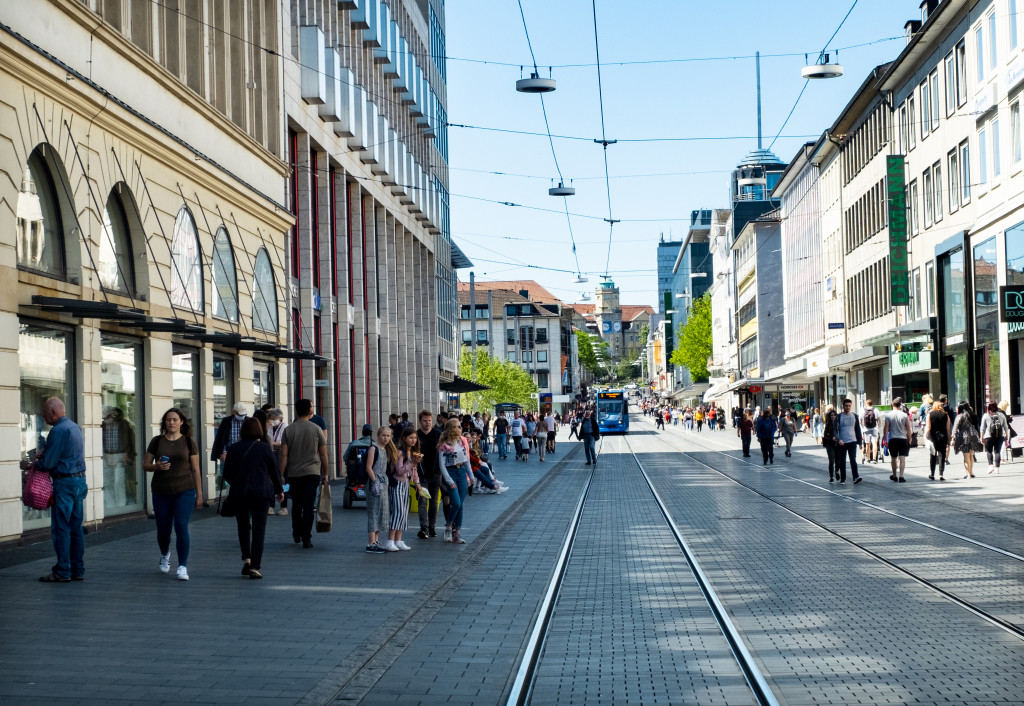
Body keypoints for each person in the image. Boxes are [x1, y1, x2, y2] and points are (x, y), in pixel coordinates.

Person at [23, 398, 88, 583]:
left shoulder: (58, 430)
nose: (44, 417)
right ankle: (77, 569)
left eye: (45, 413)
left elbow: (49, 463)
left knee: (61, 529)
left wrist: (32, 464)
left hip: (65, 484)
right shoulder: (74, 427)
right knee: (76, 528)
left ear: (53, 412)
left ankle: (62, 570)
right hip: (79, 481)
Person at [144, 407, 202, 580]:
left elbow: (196, 469)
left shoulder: (188, 442)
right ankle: (165, 555)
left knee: (181, 526)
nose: (172, 422)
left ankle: (183, 566)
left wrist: (199, 495)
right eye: (169, 419)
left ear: (181, 422)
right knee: (163, 529)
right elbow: (145, 465)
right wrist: (156, 466)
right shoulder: (156, 441)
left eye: (175, 419)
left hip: (184, 490)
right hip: (161, 491)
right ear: (165, 422)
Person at [223, 417, 284, 580]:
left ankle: (246, 560)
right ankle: (255, 567)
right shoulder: (265, 448)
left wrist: (238, 481)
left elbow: (227, 473)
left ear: (243, 431)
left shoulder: (234, 449)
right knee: (259, 529)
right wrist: (279, 491)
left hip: (240, 493)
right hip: (261, 493)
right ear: (260, 431)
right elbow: (274, 472)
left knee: (243, 526)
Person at [280, 399, 328, 548]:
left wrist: (281, 473)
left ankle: (296, 531)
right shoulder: (316, 429)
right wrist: (325, 473)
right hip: (312, 472)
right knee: (308, 506)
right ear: (309, 411)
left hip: (294, 473)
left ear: (296, 411)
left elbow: (284, 455)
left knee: (296, 504)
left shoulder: (288, 430)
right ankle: (306, 537)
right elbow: (323, 455)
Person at [387, 427, 422, 552]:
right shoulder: (399, 452)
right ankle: (390, 540)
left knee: (404, 512)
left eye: (415, 438)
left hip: (406, 484)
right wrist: (412, 463)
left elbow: (414, 471)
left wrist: (417, 483)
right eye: (410, 438)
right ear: (404, 438)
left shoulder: (412, 452)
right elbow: (400, 470)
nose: (413, 440)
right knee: (397, 512)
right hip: (396, 483)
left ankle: (399, 540)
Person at [437, 419, 469, 544]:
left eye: (459, 426)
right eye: (456, 427)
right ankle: (449, 526)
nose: (459, 428)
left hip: (461, 472)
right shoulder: (443, 446)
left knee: (460, 505)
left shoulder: (461, 442)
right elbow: (442, 465)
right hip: (450, 473)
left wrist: (470, 476)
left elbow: (466, 460)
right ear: (450, 429)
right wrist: (449, 480)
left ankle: (458, 533)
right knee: (455, 503)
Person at [364, 426, 394, 553]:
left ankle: (376, 541)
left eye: (388, 436)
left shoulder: (385, 449)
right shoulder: (373, 448)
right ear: (378, 435)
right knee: (374, 513)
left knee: (381, 512)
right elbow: (368, 467)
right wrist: (375, 481)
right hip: (375, 482)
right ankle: (371, 543)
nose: (386, 438)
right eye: (383, 435)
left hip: (383, 483)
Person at [101, 406, 136, 508]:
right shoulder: (102, 426)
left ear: (112, 415)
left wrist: (128, 453)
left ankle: (121, 505)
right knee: (108, 482)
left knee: (118, 481)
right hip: (106, 454)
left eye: (107, 417)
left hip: (120, 455)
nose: (105, 420)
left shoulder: (124, 424)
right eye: (104, 418)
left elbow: (131, 441)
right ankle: (110, 505)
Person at [415, 411, 442, 538]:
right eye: (425, 420)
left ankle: (432, 526)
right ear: (420, 421)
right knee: (422, 500)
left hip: (436, 472)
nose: (428, 423)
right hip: (421, 473)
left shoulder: (438, 434)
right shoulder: (416, 436)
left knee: (434, 501)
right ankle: (424, 528)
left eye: (430, 420)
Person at [834, 399, 863, 484]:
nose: (848, 407)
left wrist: (860, 442)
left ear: (851, 406)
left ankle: (856, 477)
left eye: (849, 406)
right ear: (843, 406)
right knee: (842, 461)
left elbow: (858, 429)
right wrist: (839, 439)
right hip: (842, 442)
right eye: (846, 406)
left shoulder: (855, 416)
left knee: (853, 460)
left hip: (852, 441)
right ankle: (843, 479)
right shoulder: (839, 417)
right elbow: (835, 430)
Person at [882, 397, 911, 483]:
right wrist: (909, 439)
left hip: (893, 439)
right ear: (900, 405)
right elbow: (908, 429)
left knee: (893, 458)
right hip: (903, 439)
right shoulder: (905, 415)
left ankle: (894, 475)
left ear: (892, 405)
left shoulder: (888, 415)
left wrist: (885, 439)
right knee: (902, 458)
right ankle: (901, 476)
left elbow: (886, 428)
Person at [266, 409, 289, 515]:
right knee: (270, 481)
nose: (272, 421)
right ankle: (270, 505)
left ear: (280, 419)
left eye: (274, 419)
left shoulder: (286, 427)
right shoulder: (269, 427)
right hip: (271, 454)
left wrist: (272, 443)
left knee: (282, 480)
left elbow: (283, 443)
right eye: (271, 419)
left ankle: (284, 507)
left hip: (281, 455)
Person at [951, 402, 980, 479]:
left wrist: (953, 439)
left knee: (966, 455)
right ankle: (971, 472)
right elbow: (977, 426)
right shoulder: (973, 415)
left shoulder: (959, 416)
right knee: (971, 454)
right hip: (973, 436)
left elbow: (955, 427)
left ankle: (968, 474)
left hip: (964, 437)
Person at [925, 399, 951, 481]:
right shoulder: (946, 415)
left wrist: (926, 436)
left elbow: (928, 427)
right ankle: (941, 474)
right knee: (942, 455)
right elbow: (948, 429)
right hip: (943, 436)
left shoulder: (930, 414)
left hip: (933, 436)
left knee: (933, 454)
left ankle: (932, 473)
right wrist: (949, 439)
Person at [980, 402, 1006, 475]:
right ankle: (997, 468)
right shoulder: (1001, 415)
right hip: (1000, 436)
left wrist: (981, 437)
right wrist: (1006, 435)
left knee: (989, 451)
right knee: (997, 451)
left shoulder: (985, 416)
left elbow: (982, 428)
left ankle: (991, 466)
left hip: (988, 436)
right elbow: (1005, 426)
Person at [822, 405, 838, 482]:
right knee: (831, 461)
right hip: (830, 444)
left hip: (838, 444)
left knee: (838, 461)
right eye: (832, 415)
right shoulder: (828, 425)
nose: (833, 417)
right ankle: (831, 476)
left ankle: (837, 471)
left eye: (834, 415)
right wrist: (831, 438)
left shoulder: (839, 425)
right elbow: (825, 436)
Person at [861, 399, 880, 464]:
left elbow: (861, 420)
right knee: (875, 443)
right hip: (874, 428)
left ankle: (868, 459)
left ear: (866, 403)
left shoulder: (863, 410)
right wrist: (878, 427)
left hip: (866, 429)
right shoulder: (875, 410)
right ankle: (874, 459)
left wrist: (863, 427)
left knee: (867, 444)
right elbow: (879, 419)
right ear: (872, 404)